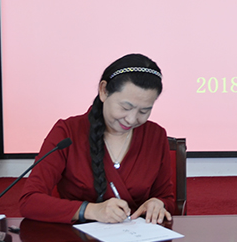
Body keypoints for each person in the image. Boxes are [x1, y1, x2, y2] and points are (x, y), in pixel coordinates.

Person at [20, 53, 174, 224]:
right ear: (103, 91)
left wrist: (158, 203)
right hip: (75, 237)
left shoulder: (155, 135)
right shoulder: (67, 132)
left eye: (144, 111)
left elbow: (166, 197)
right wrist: (90, 210)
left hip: (136, 237)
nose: (131, 119)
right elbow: (29, 201)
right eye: (125, 107)